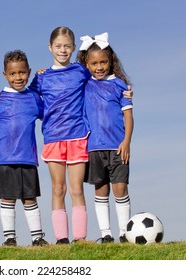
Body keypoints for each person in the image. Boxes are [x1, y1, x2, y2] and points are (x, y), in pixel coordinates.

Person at [0, 27, 132, 244]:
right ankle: (62, 238)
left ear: (74, 48)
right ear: (50, 48)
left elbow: (103, 78)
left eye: (67, 46)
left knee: (76, 189)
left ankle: (80, 238)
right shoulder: (42, 78)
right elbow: (23, 95)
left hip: (78, 137)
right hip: (53, 138)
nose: (62, 50)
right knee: (58, 188)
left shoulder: (81, 71)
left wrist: (125, 91)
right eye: (58, 46)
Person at [0, 50, 48, 247]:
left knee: (30, 198)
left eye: (21, 73)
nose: (18, 77)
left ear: (28, 72)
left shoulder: (34, 99)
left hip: (28, 158)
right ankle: (9, 239)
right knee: (8, 198)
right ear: (5, 74)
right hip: (4, 158)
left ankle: (37, 238)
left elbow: (51, 114)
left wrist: (42, 78)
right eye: (13, 74)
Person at [77, 32, 134, 243]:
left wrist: (126, 141)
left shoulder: (119, 85)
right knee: (100, 189)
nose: (99, 67)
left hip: (118, 146)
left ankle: (124, 233)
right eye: (94, 63)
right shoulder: (83, 84)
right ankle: (106, 234)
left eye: (103, 62)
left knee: (120, 187)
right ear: (86, 63)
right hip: (93, 147)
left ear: (111, 61)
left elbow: (128, 116)